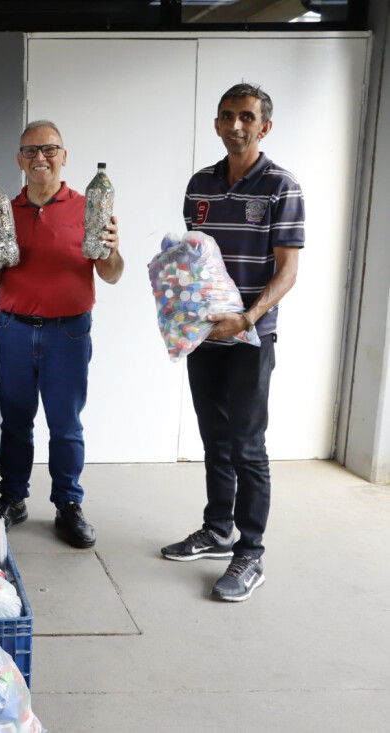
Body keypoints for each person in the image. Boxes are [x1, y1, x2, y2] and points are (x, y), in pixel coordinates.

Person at [161, 83, 303, 602]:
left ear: (264, 126)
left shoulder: (281, 187)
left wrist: (246, 320)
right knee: (214, 440)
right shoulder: (200, 184)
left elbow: (288, 272)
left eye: (247, 117)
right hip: (203, 338)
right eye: (227, 116)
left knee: (247, 446)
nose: (236, 125)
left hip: (248, 338)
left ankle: (251, 551)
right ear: (217, 124)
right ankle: (218, 529)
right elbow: (193, 263)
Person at [0, 121, 122, 549]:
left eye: (49, 149)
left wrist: (113, 248)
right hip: (15, 329)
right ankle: (14, 498)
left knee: (66, 425)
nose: (40, 158)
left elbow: (111, 274)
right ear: (19, 159)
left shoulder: (89, 205)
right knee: (15, 422)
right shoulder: (3, 210)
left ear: (64, 156)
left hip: (68, 332)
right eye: (30, 151)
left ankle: (68, 503)